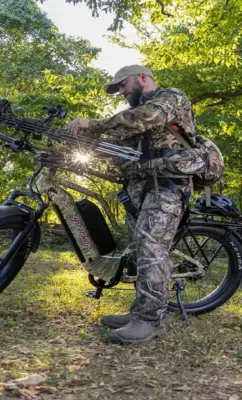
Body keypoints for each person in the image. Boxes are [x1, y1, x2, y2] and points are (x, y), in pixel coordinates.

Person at [66, 65, 197, 344]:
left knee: (151, 247)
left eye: (122, 85)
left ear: (142, 78)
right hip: (138, 187)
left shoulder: (171, 98)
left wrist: (94, 123)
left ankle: (151, 321)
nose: (121, 92)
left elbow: (145, 118)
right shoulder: (130, 118)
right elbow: (109, 143)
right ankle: (140, 312)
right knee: (139, 249)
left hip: (168, 184)